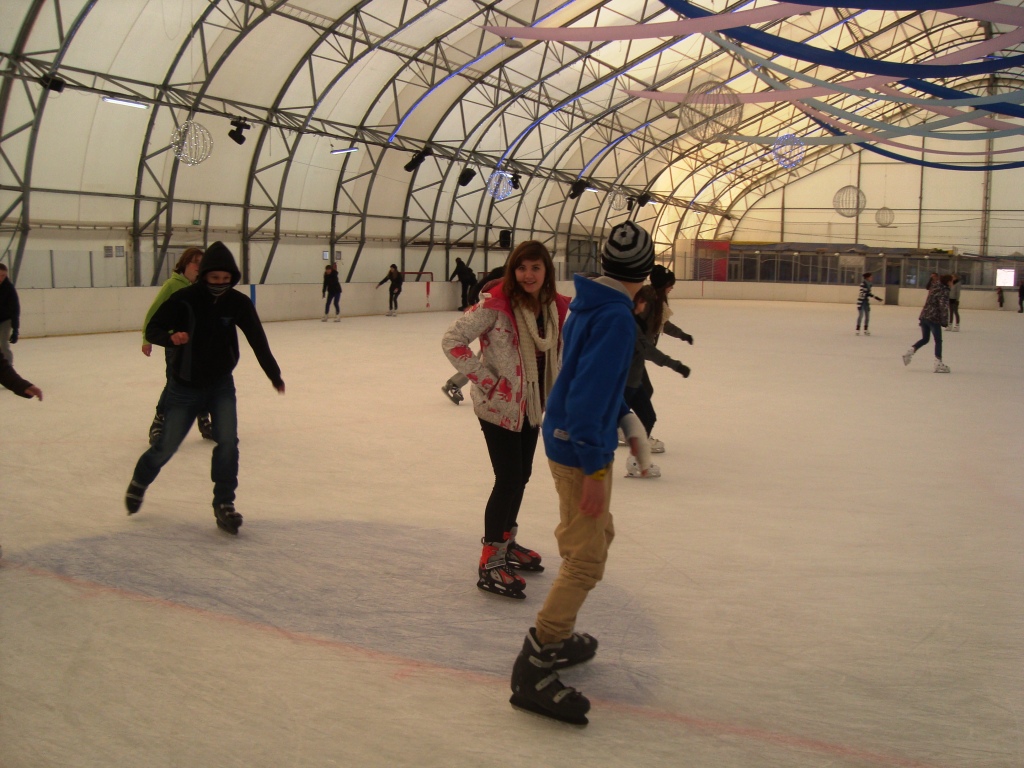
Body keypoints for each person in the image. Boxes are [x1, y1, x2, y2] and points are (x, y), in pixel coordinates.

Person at [508, 221, 656, 726]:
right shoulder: (615, 317)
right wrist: (594, 469)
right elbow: (589, 393)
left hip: (567, 438)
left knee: (593, 538)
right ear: (644, 272)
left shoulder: (590, 303)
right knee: (586, 560)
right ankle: (536, 661)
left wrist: (625, 419)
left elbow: (581, 378)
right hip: (579, 449)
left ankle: (560, 633)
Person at [124, 242, 285, 534]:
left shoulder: (237, 303)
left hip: (221, 384)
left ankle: (224, 503)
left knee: (228, 443)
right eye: (214, 278)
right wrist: (170, 338)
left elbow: (257, 339)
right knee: (167, 445)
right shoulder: (184, 299)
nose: (220, 284)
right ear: (205, 275)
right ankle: (140, 480)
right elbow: (153, 327)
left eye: (226, 279)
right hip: (185, 386)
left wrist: (273, 374)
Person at [443, 242, 570, 599]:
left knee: (521, 476)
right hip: (498, 407)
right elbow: (452, 341)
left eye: (535, 268)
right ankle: (491, 559)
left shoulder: (556, 308)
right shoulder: (495, 305)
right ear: (513, 271)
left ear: (547, 272)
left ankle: (505, 541)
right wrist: (489, 382)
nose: (528, 275)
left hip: (532, 405)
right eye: (521, 268)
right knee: (509, 478)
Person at [143, 248, 211, 445]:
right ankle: (158, 423)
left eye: (202, 263)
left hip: (198, 345)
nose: (199, 267)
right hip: (176, 344)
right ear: (185, 264)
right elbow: (153, 312)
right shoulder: (172, 285)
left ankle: (204, 420)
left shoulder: (202, 287)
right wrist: (146, 339)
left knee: (203, 381)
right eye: (195, 262)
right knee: (174, 383)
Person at [623, 285, 691, 478]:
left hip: (633, 379)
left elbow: (659, 331)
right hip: (624, 381)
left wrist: (682, 336)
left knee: (648, 416)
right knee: (610, 422)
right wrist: (675, 365)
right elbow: (648, 350)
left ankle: (635, 458)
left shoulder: (639, 320)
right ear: (640, 302)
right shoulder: (631, 324)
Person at [441, 265, 505, 405]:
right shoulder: (503, 276)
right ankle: (456, 383)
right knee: (485, 356)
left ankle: (456, 383)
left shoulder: (504, 274)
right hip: (493, 319)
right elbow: (479, 288)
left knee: (485, 355)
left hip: (497, 321)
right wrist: (476, 305)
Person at [903, 273, 952, 373]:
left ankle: (910, 352)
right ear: (947, 282)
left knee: (925, 339)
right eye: (951, 281)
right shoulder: (944, 290)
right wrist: (945, 321)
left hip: (924, 316)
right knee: (938, 340)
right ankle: (938, 363)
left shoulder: (934, 287)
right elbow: (943, 306)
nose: (952, 283)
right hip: (933, 318)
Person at [0, 262, 20, 365]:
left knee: (3, 344)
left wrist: (15, 329)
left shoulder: (9, 288)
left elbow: (15, 309)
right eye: (0, 275)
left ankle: (8, 366)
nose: (1, 278)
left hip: (5, 319)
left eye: (4, 275)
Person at [855, 271, 884, 335]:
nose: (872, 278)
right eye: (871, 277)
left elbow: (869, 293)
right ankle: (857, 329)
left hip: (866, 302)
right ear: (867, 278)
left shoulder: (870, 284)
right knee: (861, 315)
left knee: (867, 316)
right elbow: (862, 293)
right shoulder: (863, 284)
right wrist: (870, 295)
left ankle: (866, 329)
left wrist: (876, 297)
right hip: (861, 301)